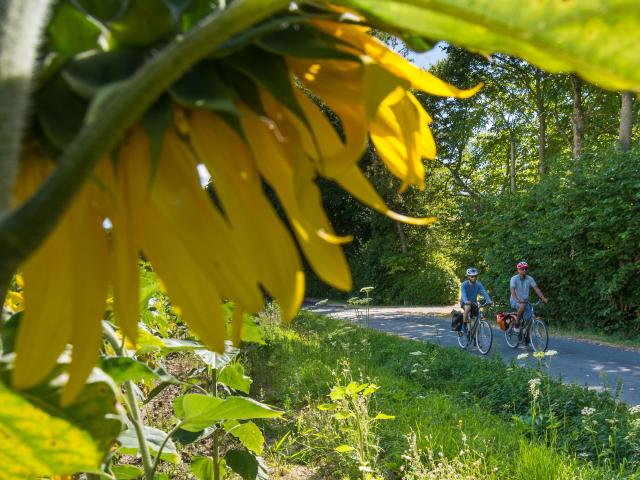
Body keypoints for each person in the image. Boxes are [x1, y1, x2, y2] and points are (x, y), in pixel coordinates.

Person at [510, 261, 548, 332]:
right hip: (514, 300)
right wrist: (517, 299)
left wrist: (543, 298)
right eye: (522, 269)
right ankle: (517, 323)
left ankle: (527, 339)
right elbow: (512, 290)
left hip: (525, 301)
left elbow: (536, 288)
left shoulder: (530, 279)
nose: (524, 270)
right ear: (518, 270)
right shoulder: (514, 278)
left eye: (526, 269)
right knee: (522, 306)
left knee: (531, 317)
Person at [460, 267, 492, 333]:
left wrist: (489, 300)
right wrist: (466, 301)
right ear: (468, 277)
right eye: (472, 276)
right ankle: (464, 324)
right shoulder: (464, 284)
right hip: (464, 302)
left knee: (478, 316)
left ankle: (475, 337)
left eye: (475, 276)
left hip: (474, 303)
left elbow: (484, 292)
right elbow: (463, 294)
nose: (474, 278)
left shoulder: (478, 284)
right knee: (468, 307)